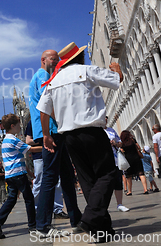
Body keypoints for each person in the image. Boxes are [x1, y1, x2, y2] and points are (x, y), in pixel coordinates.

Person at [37, 42, 123, 243]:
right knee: (107, 173)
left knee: (87, 180)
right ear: (80, 58)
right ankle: (91, 218)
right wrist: (117, 70)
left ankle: (103, 230)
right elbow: (116, 80)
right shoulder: (85, 71)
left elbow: (43, 109)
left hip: (69, 137)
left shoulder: (54, 80)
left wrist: (47, 135)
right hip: (91, 131)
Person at [29, 49, 80, 237]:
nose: (56, 61)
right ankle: (42, 225)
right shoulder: (42, 75)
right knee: (50, 177)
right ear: (43, 60)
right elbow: (48, 102)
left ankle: (76, 218)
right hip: (50, 131)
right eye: (53, 58)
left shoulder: (42, 75)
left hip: (54, 130)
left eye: (58, 59)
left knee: (67, 176)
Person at [0, 114, 41, 239]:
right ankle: (32, 226)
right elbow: (30, 150)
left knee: (11, 199)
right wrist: (45, 147)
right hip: (18, 174)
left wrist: (29, 172)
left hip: (10, 175)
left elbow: (19, 158)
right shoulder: (13, 139)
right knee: (29, 199)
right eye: (18, 125)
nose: (19, 127)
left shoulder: (5, 140)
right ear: (12, 126)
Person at [103, 119, 130, 211]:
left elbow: (120, 143)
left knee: (118, 181)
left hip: (115, 160)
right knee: (105, 183)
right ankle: (103, 206)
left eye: (106, 120)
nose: (104, 122)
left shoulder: (111, 130)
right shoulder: (96, 131)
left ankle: (120, 204)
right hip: (103, 160)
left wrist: (115, 143)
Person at [120, 130, 149, 195]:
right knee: (141, 174)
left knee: (129, 176)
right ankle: (145, 189)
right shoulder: (132, 140)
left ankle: (129, 191)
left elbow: (122, 151)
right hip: (136, 158)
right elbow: (138, 147)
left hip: (128, 160)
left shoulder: (122, 143)